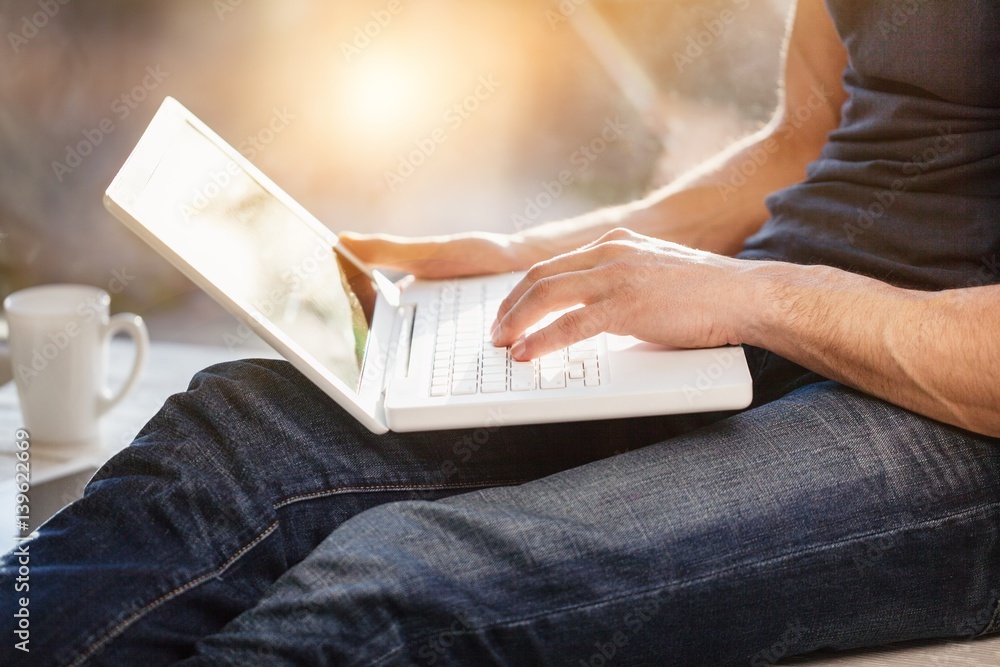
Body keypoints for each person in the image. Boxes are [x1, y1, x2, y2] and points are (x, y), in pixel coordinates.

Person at [4, 0, 999, 664]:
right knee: (230, 440)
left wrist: (759, 298)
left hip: (956, 402)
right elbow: (803, 140)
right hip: (767, 307)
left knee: (400, 587)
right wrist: (529, 253)